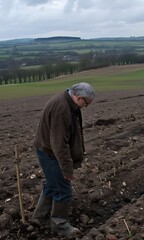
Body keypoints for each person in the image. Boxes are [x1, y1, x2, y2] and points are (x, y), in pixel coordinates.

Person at [32, 82, 95, 236]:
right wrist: (67, 170)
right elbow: (59, 145)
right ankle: (59, 225)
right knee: (63, 190)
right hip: (49, 154)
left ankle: (39, 217)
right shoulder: (62, 110)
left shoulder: (68, 102)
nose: (85, 107)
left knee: (53, 185)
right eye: (85, 104)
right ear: (78, 97)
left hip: (47, 150)